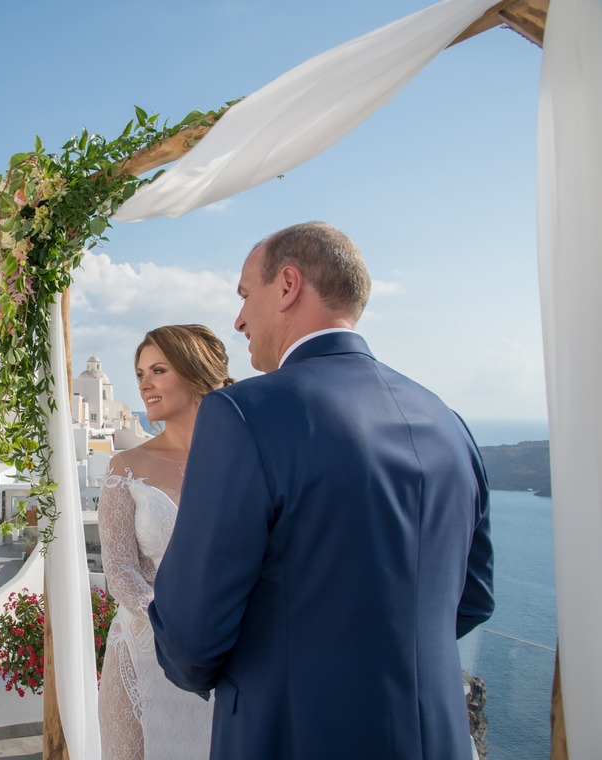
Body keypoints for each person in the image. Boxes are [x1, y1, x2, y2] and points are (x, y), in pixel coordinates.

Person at [149, 222, 494, 759]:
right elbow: (473, 597)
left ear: (288, 285)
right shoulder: (449, 422)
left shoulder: (244, 414)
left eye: (245, 295)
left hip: (291, 736)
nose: (238, 318)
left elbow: (190, 636)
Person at [98, 324, 235, 760]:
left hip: (228, 657)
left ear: (195, 372)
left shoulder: (241, 461)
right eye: (140, 373)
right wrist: (169, 619)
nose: (145, 384)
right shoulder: (125, 466)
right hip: (142, 649)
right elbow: (119, 569)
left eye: (158, 369)